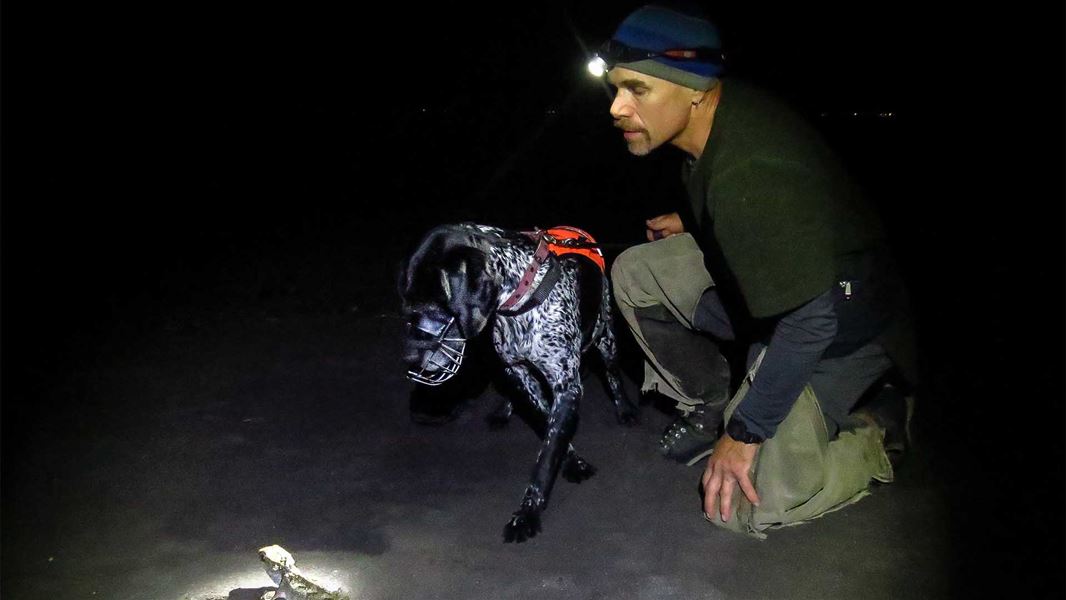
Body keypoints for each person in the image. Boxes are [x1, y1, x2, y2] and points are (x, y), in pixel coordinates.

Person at [591, 4, 917, 527]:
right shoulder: (711, 126)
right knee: (636, 271)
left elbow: (811, 321)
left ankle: (881, 423)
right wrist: (697, 221)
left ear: (694, 89)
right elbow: (780, 210)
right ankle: (709, 403)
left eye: (639, 90)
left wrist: (744, 433)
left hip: (845, 322)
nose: (617, 108)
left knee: (746, 503)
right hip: (782, 290)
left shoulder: (751, 171)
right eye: (616, 89)